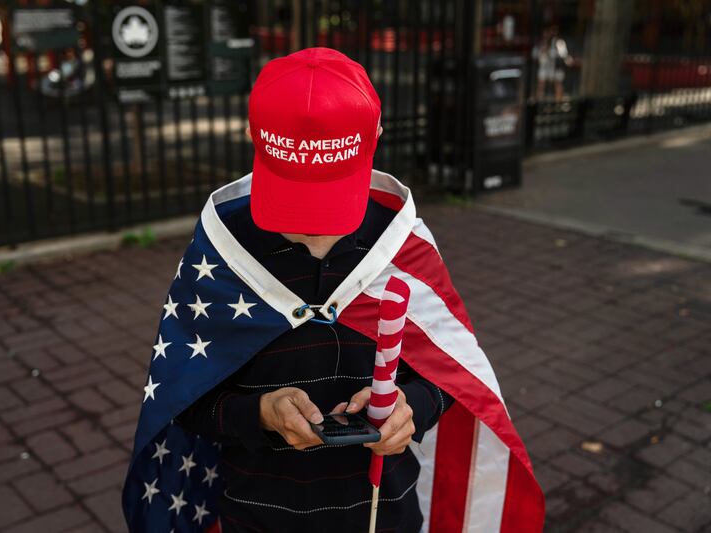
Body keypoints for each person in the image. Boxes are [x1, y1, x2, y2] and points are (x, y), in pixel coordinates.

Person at [121, 47, 544, 533]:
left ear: (377, 139)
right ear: (251, 137)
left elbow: (449, 373)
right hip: (257, 515)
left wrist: (412, 409)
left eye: (329, 204)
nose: (315, 234)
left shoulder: (401, 247)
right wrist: (258, 412)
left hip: (384, 512)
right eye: (295, 205)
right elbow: (182, 396)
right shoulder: (221, 251)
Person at [532, 24, 574, 102]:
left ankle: (558, 102)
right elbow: (535, 55)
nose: (550, 34)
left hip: (556, 67)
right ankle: (538, 101)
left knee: (558, 85)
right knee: (541, 84)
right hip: (545, 67)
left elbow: (564, 55)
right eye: (548, 31)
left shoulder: (559, 43)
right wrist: (543, 51)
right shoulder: (541, 43)